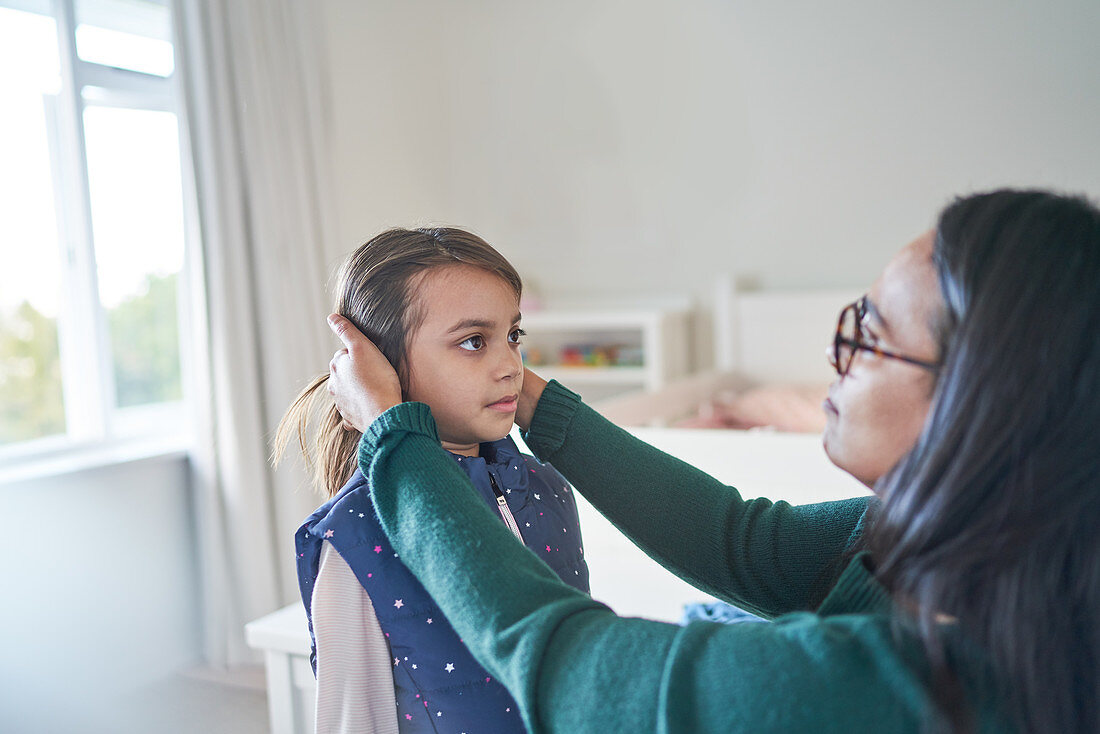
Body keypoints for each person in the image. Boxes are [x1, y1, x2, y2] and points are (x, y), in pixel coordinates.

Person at [324, 189, 1100, 734]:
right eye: (474, 339)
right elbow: (739, 539)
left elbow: (568, 664)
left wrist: (398, 435)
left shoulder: (907, 686)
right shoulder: (960, 546)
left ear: (980, 403)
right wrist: (526, 397)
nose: (835, 358)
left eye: (871, 336)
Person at [273, 227, 590, 733]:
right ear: (380, 367)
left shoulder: (545, 485)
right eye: (472, 342)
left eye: (513, 335)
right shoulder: (360, 531)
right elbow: (354, 721)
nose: (510, 365)